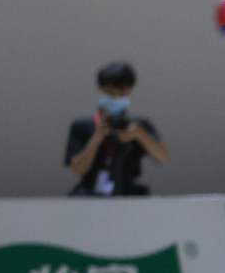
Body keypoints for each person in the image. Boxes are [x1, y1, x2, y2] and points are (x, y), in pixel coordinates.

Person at [64, 61, 168, 196]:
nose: (115, 96)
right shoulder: (82, 126)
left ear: (129, 91)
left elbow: (163, 158)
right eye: (110, 92)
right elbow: (77, 169)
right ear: (100, 90)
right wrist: (96, 138)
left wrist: (140, 135)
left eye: (121, 92)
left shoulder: (139, 126)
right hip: (89, 193)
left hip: (128, 192)